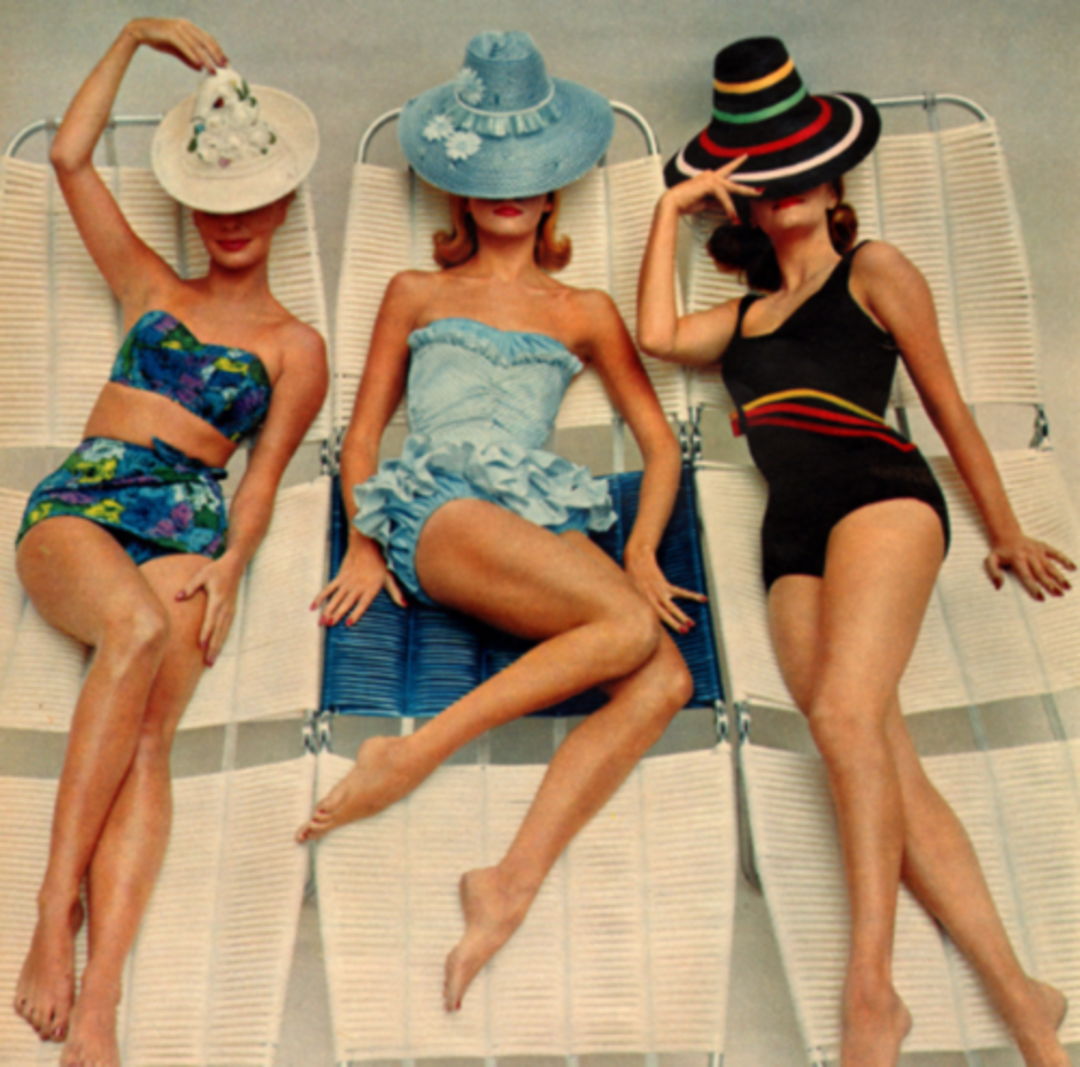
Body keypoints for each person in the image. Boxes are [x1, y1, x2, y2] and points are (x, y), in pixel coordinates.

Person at [637, 36, 1072, 1067]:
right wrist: (667, 210)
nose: (784, 192)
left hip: (884, 497)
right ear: (737, 194)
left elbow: (945, 398)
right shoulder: (741, 317)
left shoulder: (875, 269)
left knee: (840, 714)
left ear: (834, 178)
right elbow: (656, 333)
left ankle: (869, 993)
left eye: (800, 171)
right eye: (761, 176)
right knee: (881, 758)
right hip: (788, 534)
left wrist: (1003, 524)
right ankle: (1025, 1003)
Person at [300, 30, 698, 1012]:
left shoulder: (585, 309)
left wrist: (640, 545)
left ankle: (507, 883)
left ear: (553, 184)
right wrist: (361, 532)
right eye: (490, 174)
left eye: (528, 173)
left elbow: (659, 444)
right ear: (458, 190)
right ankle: (412, 751)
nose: (508, 193)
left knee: (665, 673)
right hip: (437, 506)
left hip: (531, 517)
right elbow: (362, 437)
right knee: (627, 632)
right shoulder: (415, 291)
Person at [12, 19, 326, 1067]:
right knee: (134, 627)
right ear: (192, 208)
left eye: (252, 203)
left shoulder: (295, 345)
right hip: (89, 502)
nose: (232, 223)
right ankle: (54, 909)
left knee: (152, 731)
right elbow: (66, 155)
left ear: (282, 203)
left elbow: (266, 474)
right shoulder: (151, 285)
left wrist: (232, 564)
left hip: (191, 520)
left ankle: (98, 1008)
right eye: (214, 205)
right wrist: (135, 34)